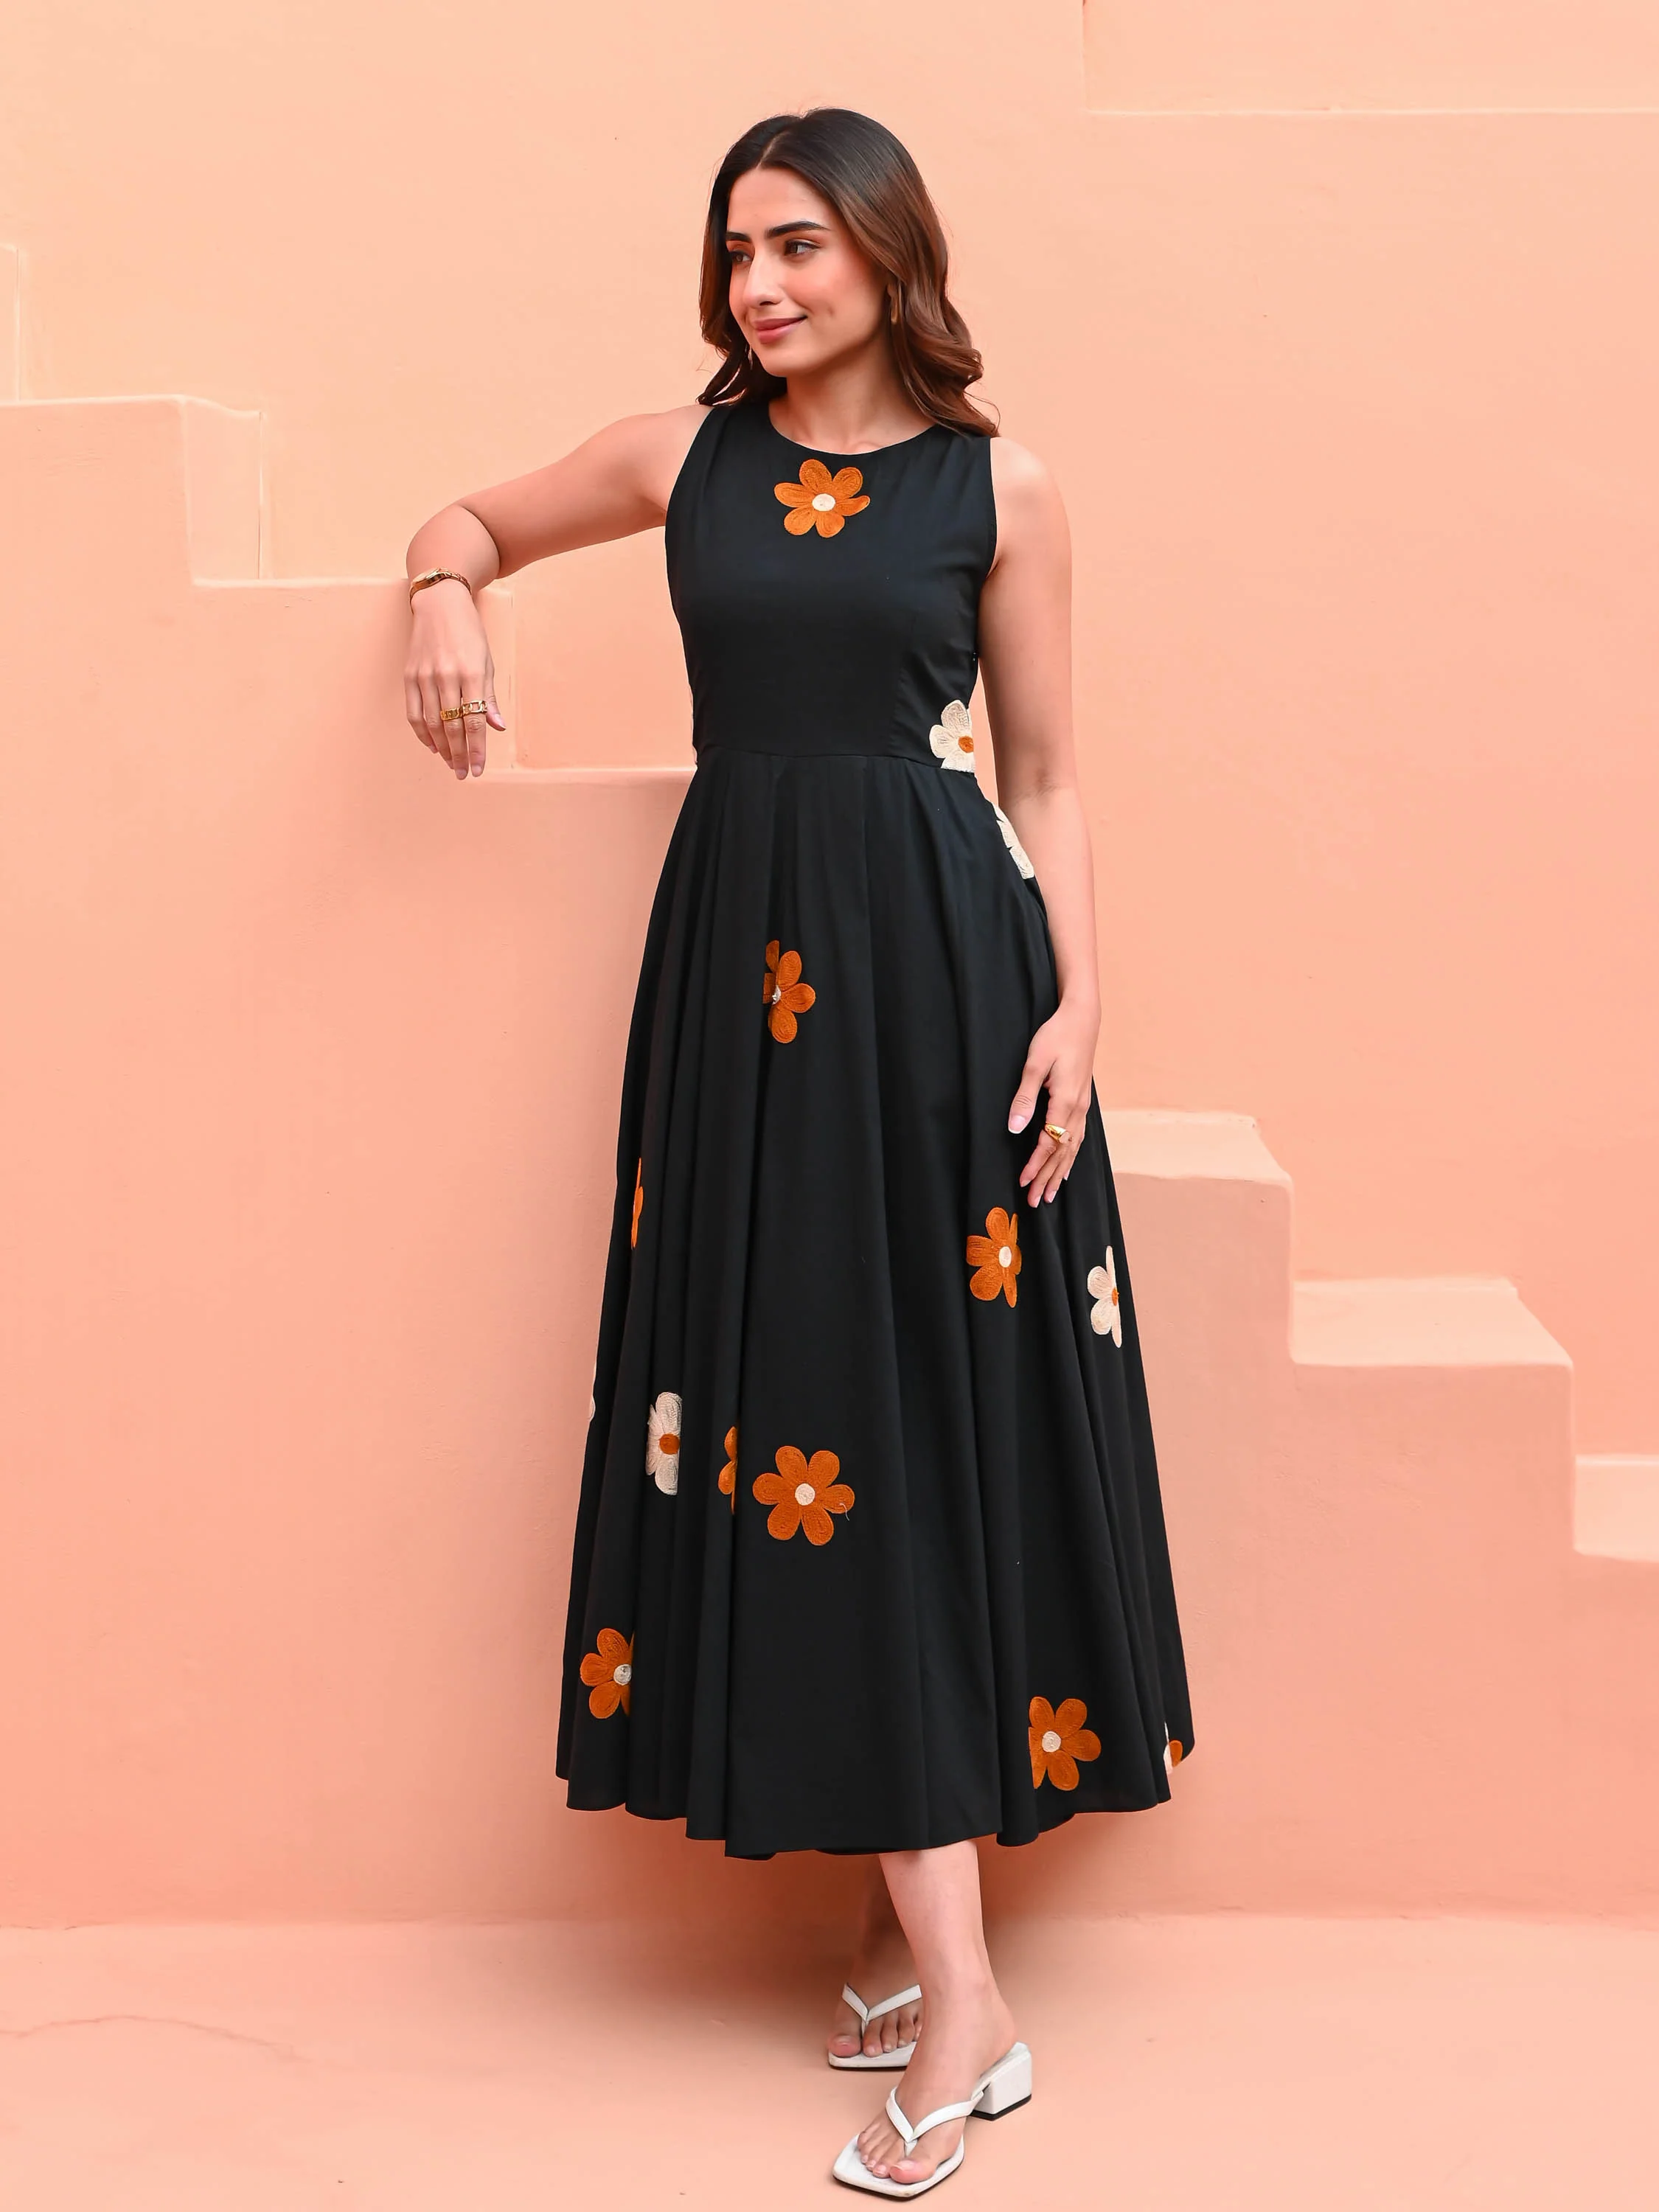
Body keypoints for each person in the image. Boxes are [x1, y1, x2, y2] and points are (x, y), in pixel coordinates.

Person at [403, 105, 1192, 2199]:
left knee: (902, 1416)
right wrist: (444, 595)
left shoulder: (1002, 488)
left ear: (887, 252)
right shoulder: (680, 458)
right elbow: (463, 521)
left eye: (800, 246)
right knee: (801, 1409)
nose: (759, 284)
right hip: (742, 989)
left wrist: (1081, 1009)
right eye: (736, 251)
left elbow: (1047, 774)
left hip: (944, 984)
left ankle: (958, 1989)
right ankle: (908, 1942)